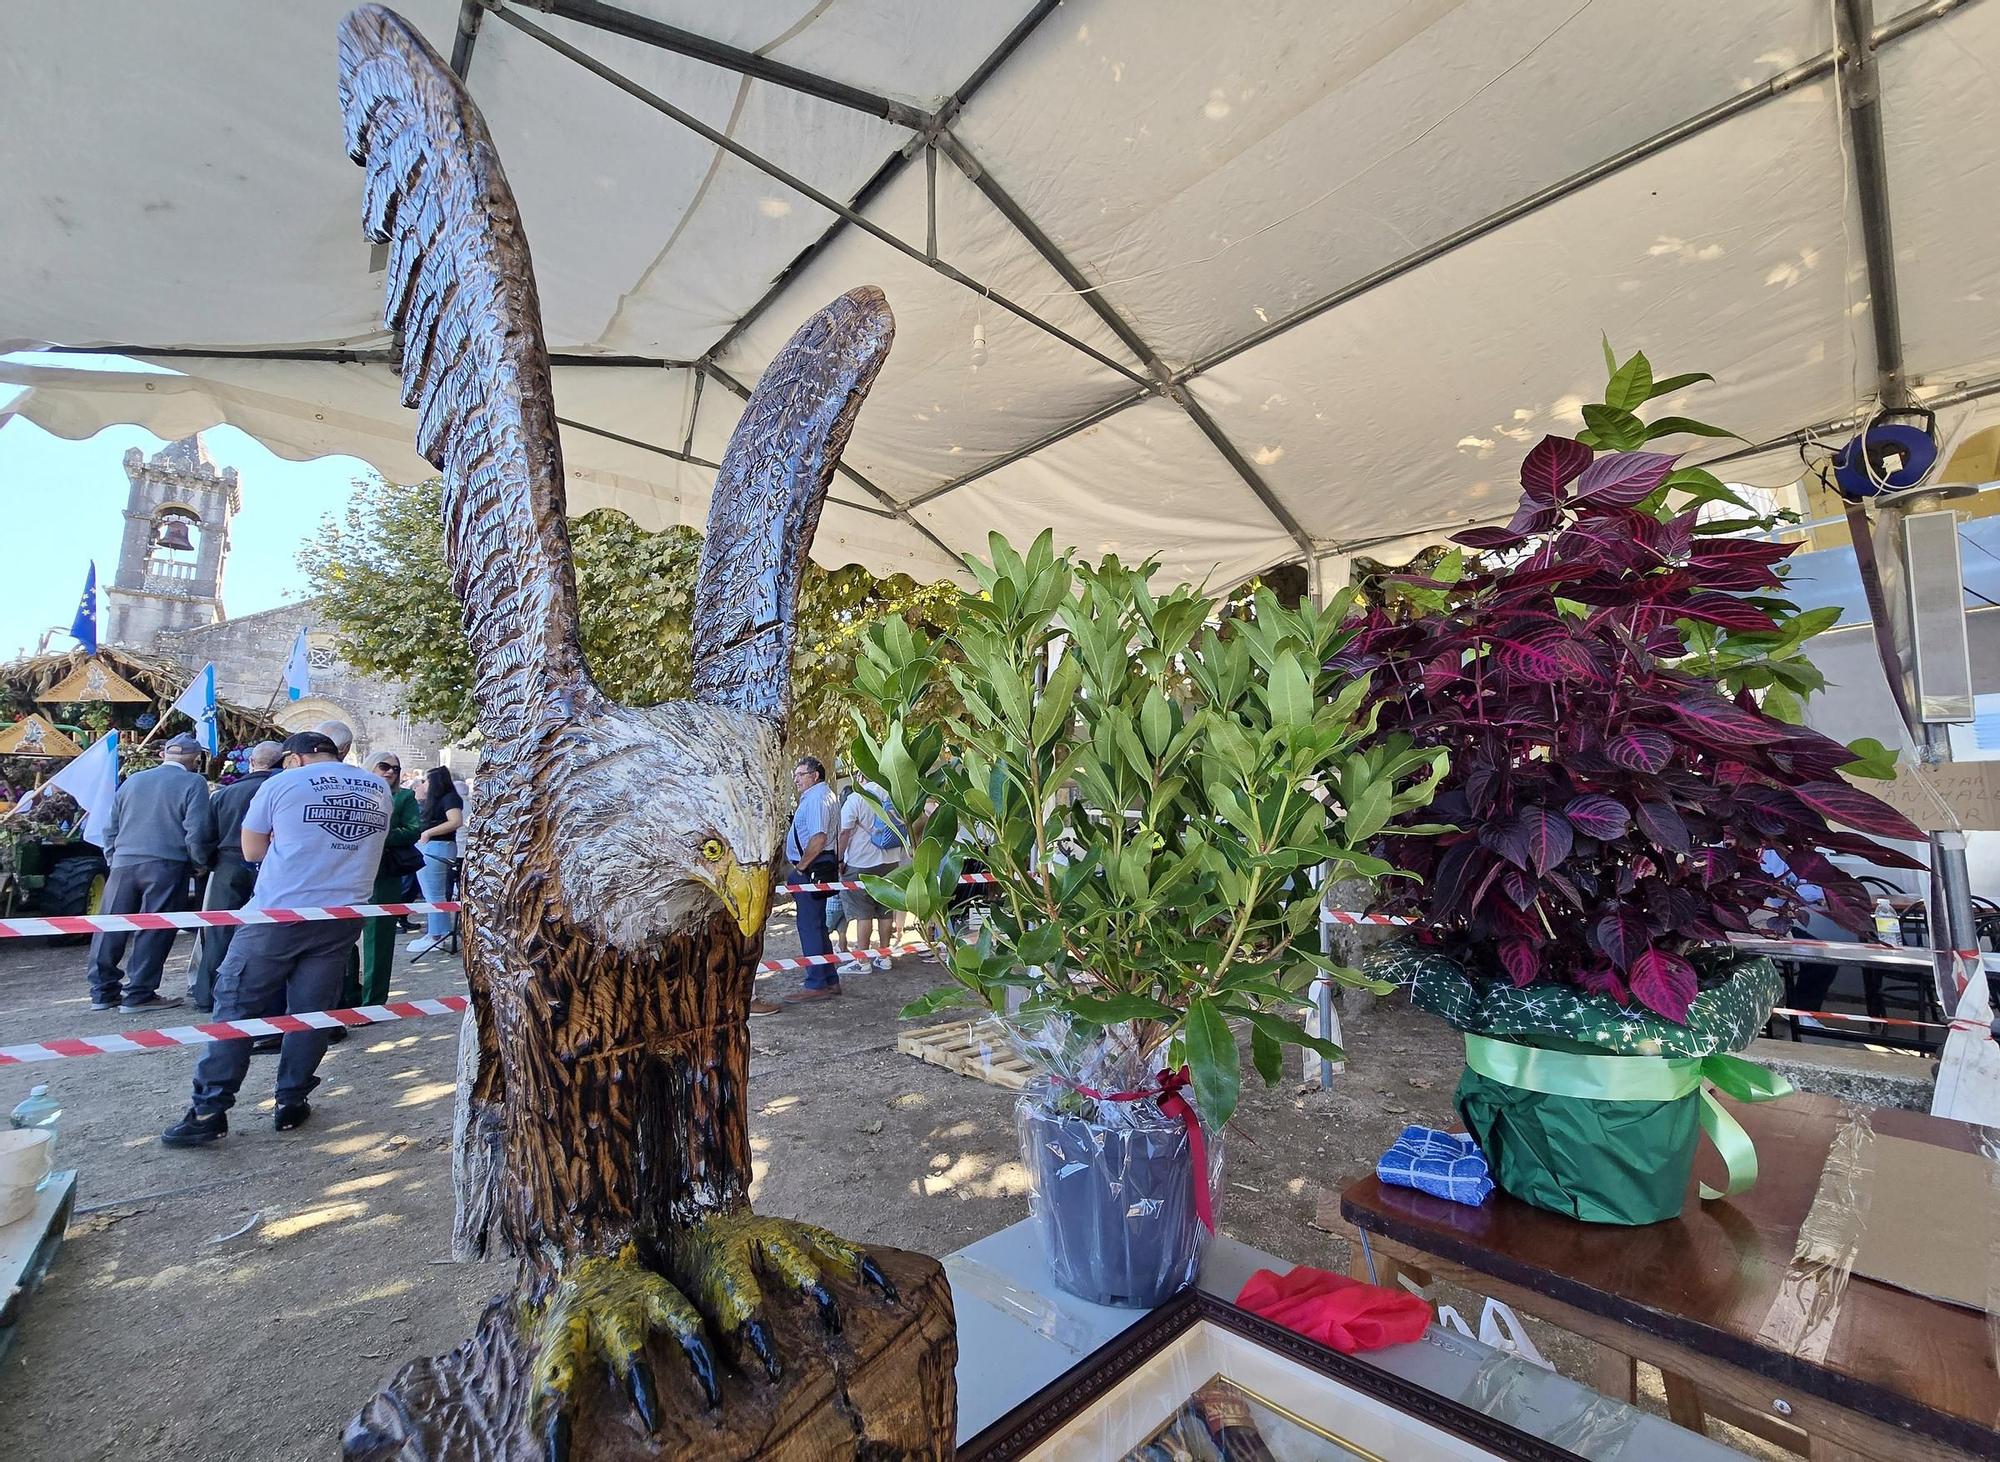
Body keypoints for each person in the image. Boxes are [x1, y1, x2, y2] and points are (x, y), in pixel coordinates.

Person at [162, 731, 391, 1145]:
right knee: (312, 1012)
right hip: (343, 914)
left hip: (279, 912)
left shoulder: (281, 783)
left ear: (296, 758)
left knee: (236, 1007)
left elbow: (251, 851)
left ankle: (208, 1110)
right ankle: (291, 1101)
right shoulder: (378, 786)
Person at [86, 732, 216, 1012]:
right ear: (195, 759)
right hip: (166, 865)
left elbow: (110, 827)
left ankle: (102, 992)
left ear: (163, 754)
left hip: (123, 863)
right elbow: (196, 831)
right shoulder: (194, 782)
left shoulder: (133, 780)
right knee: (154, 929)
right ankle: (139, 993)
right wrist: (199, 862)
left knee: (110, 927)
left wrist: (114, 857)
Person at [189, 740, 284, 1011]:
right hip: (270, 864)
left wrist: (206, 863)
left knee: (219, 931)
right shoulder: (282, 790)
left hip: (227, 865)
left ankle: (207, 994)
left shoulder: (225, 794)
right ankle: (262, 998)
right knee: (268, 931)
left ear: (252, 762)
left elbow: (202, 835)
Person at [756, 756, 840, 1012]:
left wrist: (801, 868)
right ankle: (828, 978)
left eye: (800, 774)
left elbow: (818, 838)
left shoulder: (816, 799)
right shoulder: (822, 797)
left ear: (815, 775)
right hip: (819, 865)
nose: (796, 779)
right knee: (817, 925)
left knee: (809, 926)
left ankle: (816, 983)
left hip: (811, 868)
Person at [351, 752, 423, 1004]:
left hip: (384, 874)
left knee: (378, 939)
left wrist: (378, 834)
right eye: (384, 766)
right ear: (370, 766)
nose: (391, 771)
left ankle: (372, 1002)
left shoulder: (404, 797)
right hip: (347, 872)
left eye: (396, 768)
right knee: (339, 937)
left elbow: (414, 830)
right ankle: (347, 997)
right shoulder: (353, 792)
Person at [836, 775, 904, 977]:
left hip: (861, 862)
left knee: (862, 911)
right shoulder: (894, 796)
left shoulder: (856, 798)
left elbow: (844, 833)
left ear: (860, 776)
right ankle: (884, 956)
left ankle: (862, 960)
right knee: (886, 909)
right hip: (891, 861)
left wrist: (839, 859)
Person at [408, 766, 463, 958]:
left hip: (437, 846)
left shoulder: (450, 798)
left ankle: (436, 935)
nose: (424, 784)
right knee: (432, 893)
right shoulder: (440, 799)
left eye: (427, 781)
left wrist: (428, 832)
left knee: (433, 894)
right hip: (432, 846)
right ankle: (438, 931)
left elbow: (456, 821)